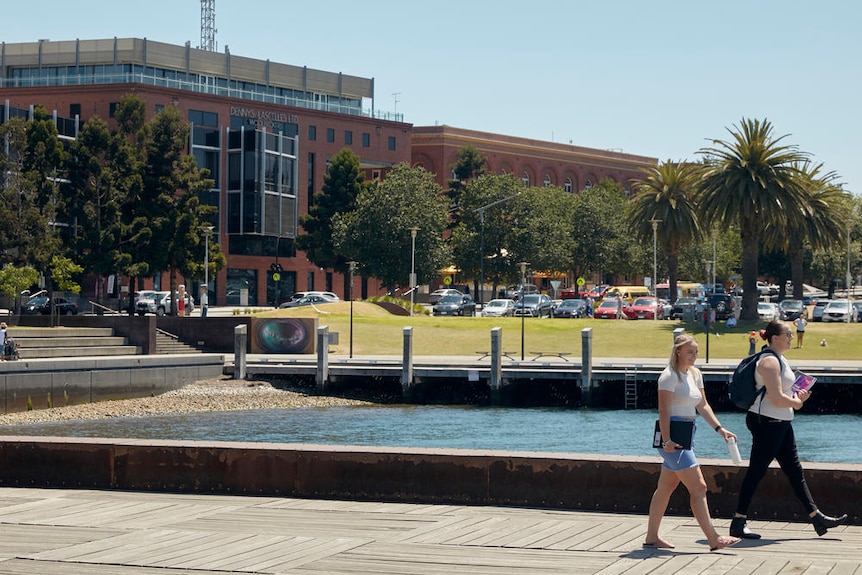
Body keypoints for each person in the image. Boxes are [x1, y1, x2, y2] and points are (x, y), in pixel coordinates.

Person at [729, 320, 847, 540]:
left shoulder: (780, 359)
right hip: (767, 422)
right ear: (775, 338)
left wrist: (796, 396)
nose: (792, 337)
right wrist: (798, 402)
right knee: (757, 471)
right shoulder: (769, 362)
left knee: (794, 470)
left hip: (780, 421)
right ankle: (738, 521)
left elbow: (781, 394)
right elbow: (776, 398)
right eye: (788, 334)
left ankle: (816, 516)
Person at [645, 333, 740, 551]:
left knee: (665, 488)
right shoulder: (669, 376)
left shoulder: (695, 374)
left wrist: (720, 429)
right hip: (673, 437)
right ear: (678, 351)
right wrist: (667, 440)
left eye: (696, 352)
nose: (694, 356)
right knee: (699, 487)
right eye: (690, 352)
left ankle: (651, 537)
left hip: (689, 433)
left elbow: (703, 406)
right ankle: (713, 538)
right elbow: (664, 410)